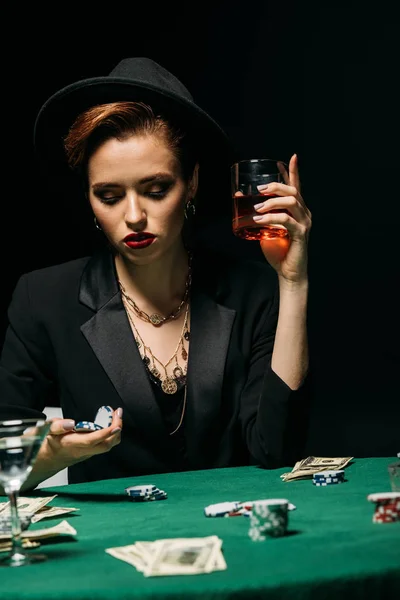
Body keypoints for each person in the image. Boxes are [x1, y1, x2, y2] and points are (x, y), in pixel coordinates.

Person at [0, 57, 312, 489]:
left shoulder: (253, 291)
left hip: (235, 537)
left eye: (156, 189)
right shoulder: (42, 299)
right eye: (109, 196)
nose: (133, 216)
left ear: (193, 183)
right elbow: (5, 471)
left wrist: (293, 283)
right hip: (109, 548)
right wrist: (51, 455)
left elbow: (276, 450)